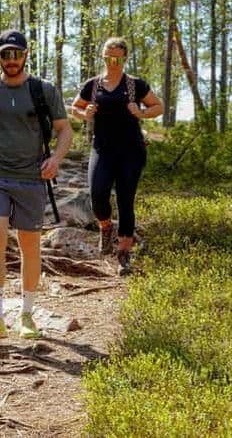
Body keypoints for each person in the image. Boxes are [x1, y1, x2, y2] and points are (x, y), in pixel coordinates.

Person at [0, 29, 73, 339]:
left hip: (32, 178)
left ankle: (26, 315)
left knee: (29, 246)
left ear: (26, 55)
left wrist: (56, 159)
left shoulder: (43, 90)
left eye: (16, 54)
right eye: (5, 54)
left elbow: (65, 130)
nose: (11, 60)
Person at [70, 37, 163, 275]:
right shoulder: (93, 85)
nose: (112, 62)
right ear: (103, 58)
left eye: (117, 58)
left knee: (125, 200)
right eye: (108, 57)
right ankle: (105, 226)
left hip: (131, 150)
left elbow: (158, 107)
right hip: (102, 148)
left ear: (124, 59)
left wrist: (140, 112)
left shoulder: (135, 85)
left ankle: (124, 255)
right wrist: (85, 112)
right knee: (97, 193)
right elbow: (75, 107)